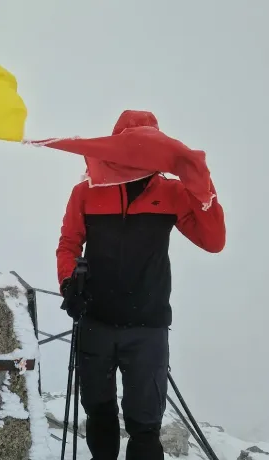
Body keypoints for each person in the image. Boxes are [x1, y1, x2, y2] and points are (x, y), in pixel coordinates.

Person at [55, 111, 226, 459]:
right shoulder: (85, 192)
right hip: (95, 318)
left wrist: (201, 186)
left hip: (147, 326)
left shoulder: (174, 192)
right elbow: (69, 244)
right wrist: (69, 282)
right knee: (98, 411)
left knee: (145, 424)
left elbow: (213, 240)